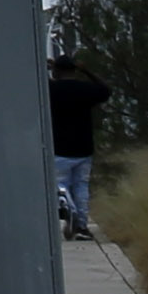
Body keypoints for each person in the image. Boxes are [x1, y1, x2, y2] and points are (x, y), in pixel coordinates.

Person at [46, 56, 110, 237]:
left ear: (56, 70)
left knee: (60, 186)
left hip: (59, 148)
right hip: (83, 147)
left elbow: (38, 85)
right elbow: (105, 90)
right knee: (81, 186)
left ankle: (71, 215)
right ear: (74, 70)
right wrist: (86, 70)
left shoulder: (51, 90)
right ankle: (81, 226)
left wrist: (44, 68)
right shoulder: (85, 89)